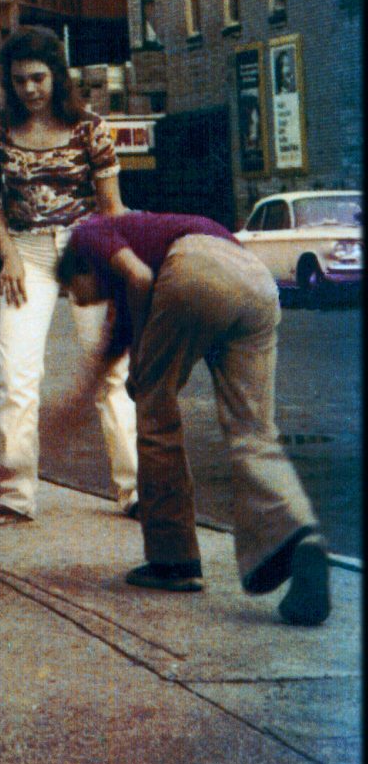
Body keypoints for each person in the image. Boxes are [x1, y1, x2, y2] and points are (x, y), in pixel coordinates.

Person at [55, 210, 331, 625]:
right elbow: (96, 374)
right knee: (254, 431)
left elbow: (142, 279)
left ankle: (174, 561)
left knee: (154, 408)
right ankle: (294, 536)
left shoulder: (87, 235)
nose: (78, 301)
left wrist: (145, 371)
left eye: (74, 290)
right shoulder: (124, 300)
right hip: (256, 283)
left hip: (196, 269)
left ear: (81, 267)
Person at [0, 25, 139, 525]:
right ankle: (15, 495)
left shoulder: (91, 128)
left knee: (110, 374)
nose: (30, 89)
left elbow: (111, 208)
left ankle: (133, 491)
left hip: (87, 250)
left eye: (39, 78)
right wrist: (9, 255)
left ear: (57, 76)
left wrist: (119, 269)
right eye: (20, 80)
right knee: (16, 377)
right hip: (27, 253)